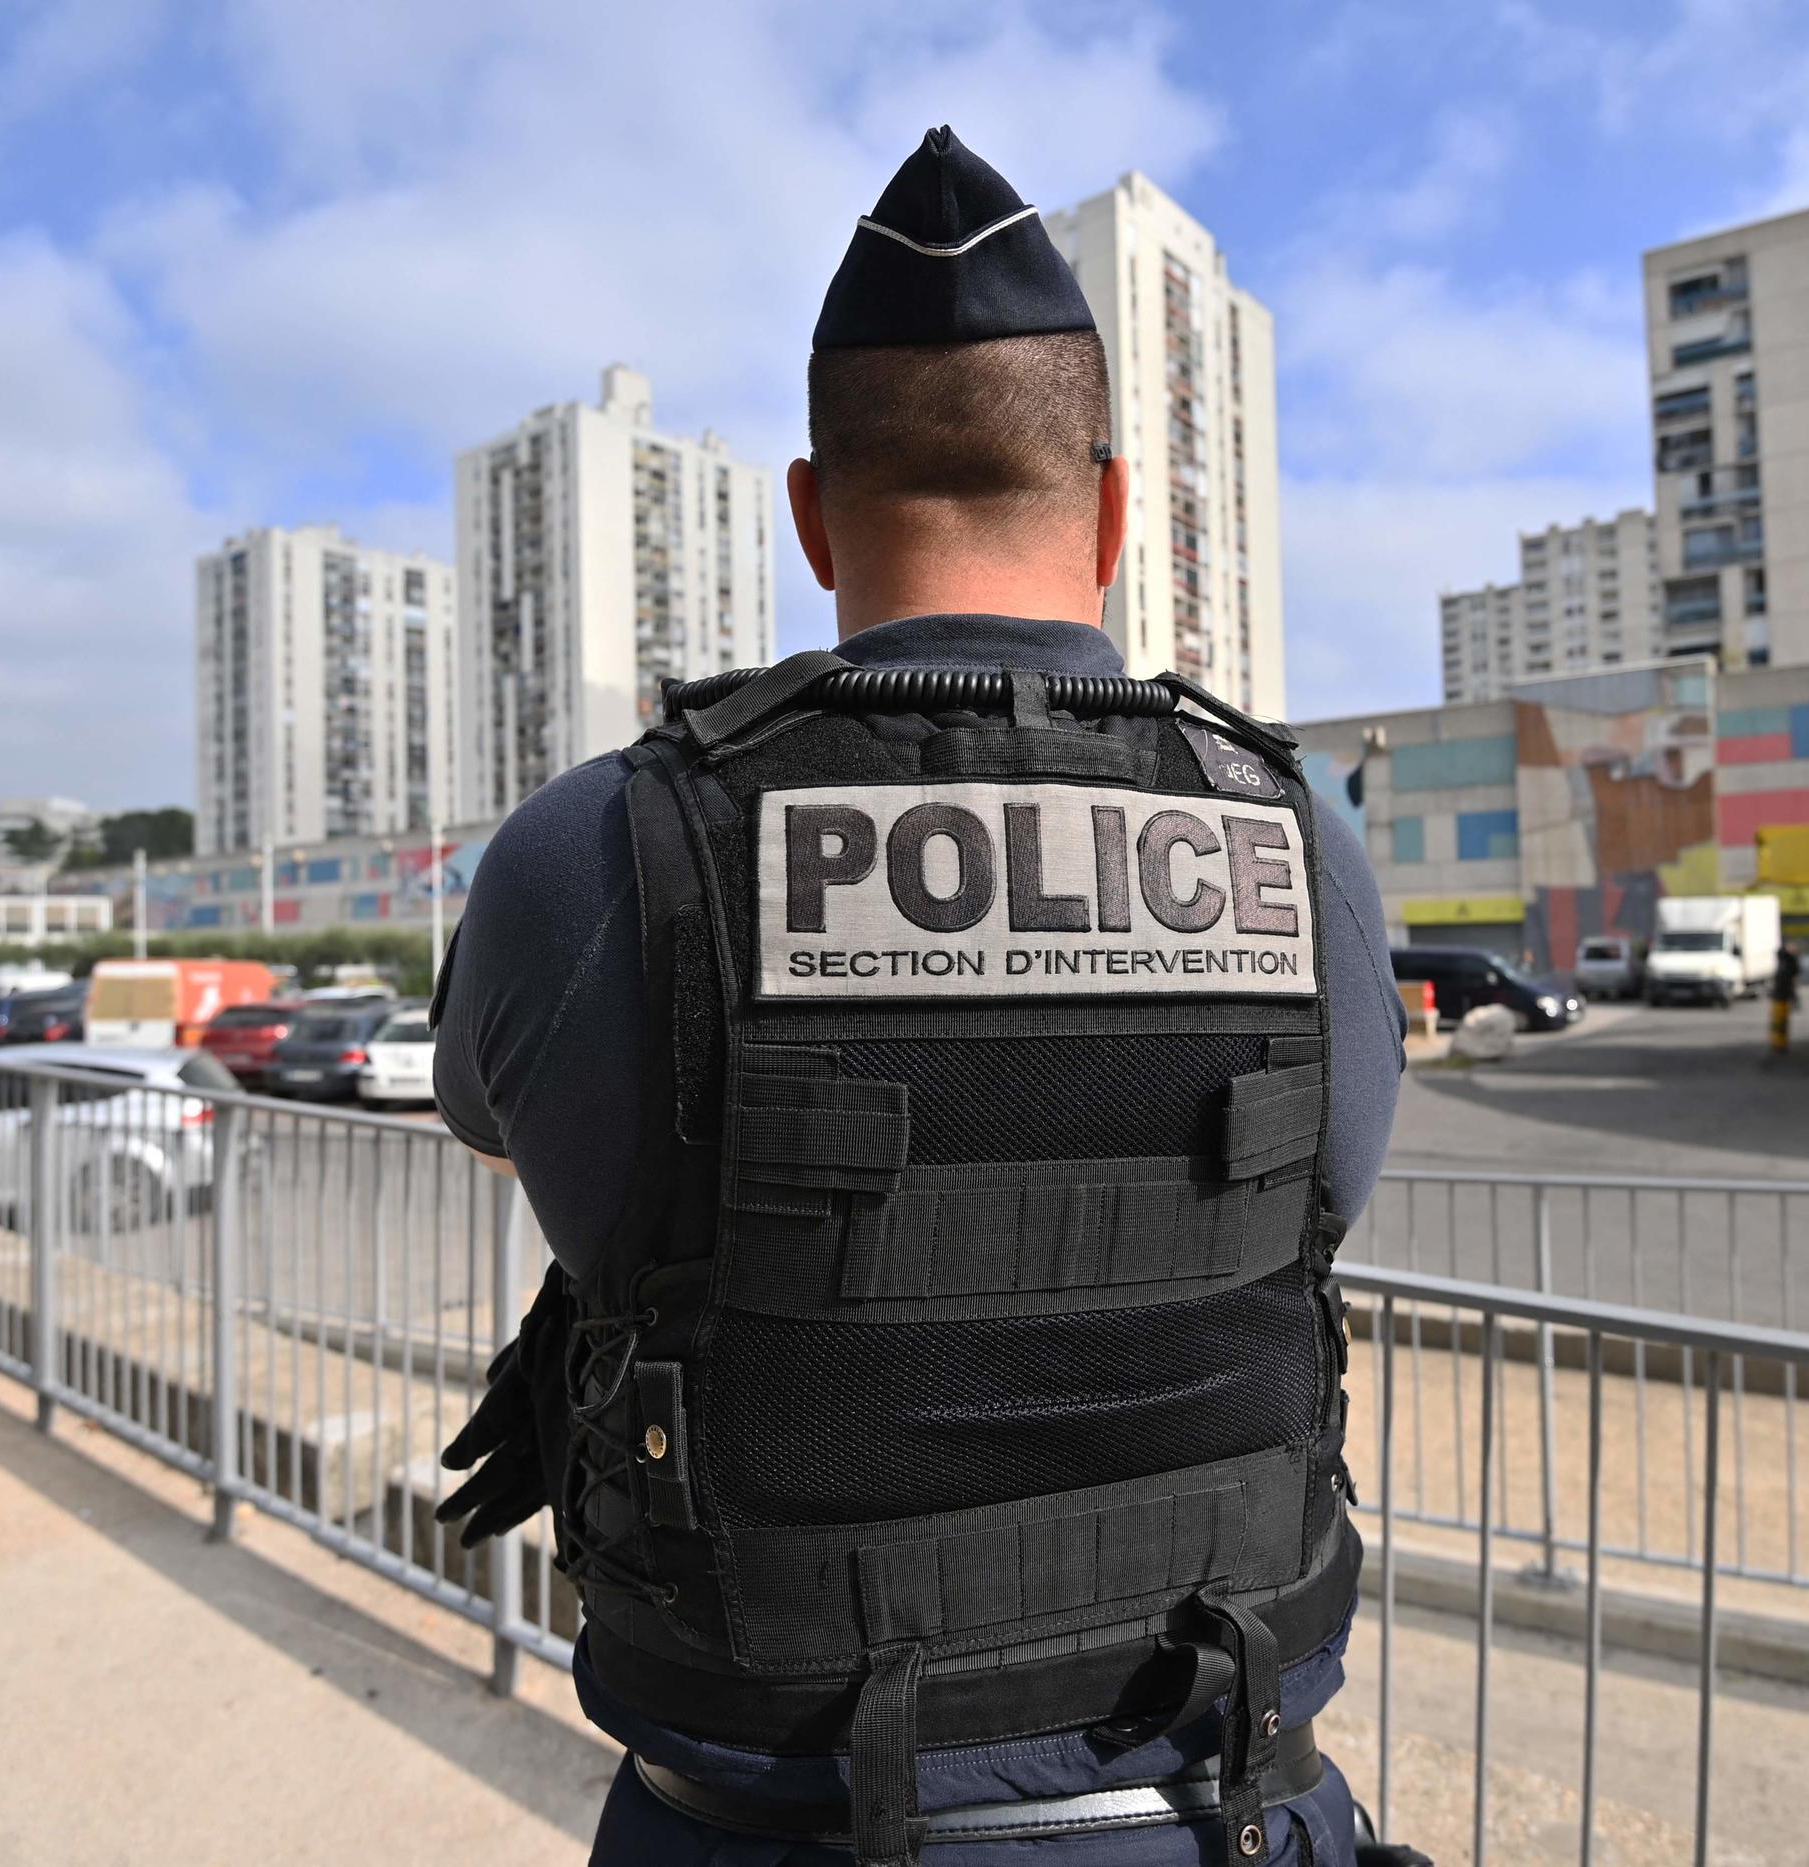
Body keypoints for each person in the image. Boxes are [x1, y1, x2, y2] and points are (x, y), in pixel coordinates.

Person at [427, 128, 1416, 1867]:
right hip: (1217, 1805)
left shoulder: (597, 849)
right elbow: (1312, 1200)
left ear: (813, 516)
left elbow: (513, 1137)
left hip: (759, 1821)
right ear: (1114, 512)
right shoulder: (1302, 844)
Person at [1767, 940, 1801, 1056]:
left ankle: (1779, 1043)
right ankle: (1779, 1044)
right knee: (1780, 1022)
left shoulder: (1786, 964)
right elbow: (1781, 954)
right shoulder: (1787, 962)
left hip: (1781, 996)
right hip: (1781, 996)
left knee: (1780, 1022)